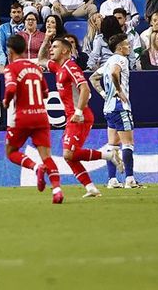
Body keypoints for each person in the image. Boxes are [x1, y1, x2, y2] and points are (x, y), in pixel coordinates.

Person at [47, 37, 114, 197]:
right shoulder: (59, 68)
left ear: (64, 50)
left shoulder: (70, 66)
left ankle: (108, 155)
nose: (51, 49)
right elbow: (43, 59)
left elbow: (85, 89)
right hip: (72, 118)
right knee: (70, 156)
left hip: (80, 116)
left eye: (54, 47)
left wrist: (78, 112)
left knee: (68, 154)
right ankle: (91, 187)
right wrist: (47, 40)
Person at [0, 34, 64, 202]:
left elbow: (12, 88)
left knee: (11, 152)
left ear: (10, 50)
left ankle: (36, 168)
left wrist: (6, 101)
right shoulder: (35, 68)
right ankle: (57, 190)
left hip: (22, 117)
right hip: (41, 117)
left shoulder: (11, 68)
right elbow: (45, 93)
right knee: (47, 156)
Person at [90, 34, 141, 189]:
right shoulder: (120, 60)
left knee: (112, 145)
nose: (129, 47)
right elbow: (114, 73)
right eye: (127, 44)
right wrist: (119, 90)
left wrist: (104, 95)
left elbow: (93, 78)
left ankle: (112, 179)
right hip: (120, 107)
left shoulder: (107, 62)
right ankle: (130, 179)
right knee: (128, 143)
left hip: (108, 108)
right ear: (120, 47)